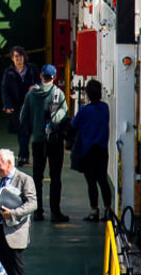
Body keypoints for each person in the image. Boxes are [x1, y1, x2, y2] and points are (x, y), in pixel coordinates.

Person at [19, 63, 70, 222]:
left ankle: (37, 211)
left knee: (37, 177)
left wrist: (35, 124)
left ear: (41, 76)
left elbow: (23, 118)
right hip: (54, 142)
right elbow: (66, 115)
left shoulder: (31, 94)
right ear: (54, 77)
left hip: (38, 141)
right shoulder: (58, 94)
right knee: (55, 177)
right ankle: (55, 212)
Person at [71, 80, 114, 222]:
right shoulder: (105, 108)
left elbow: (73, 124)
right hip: (102, 150)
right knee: (103, 180)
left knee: (91, 182)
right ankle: (108, 209)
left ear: (87, 93)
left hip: (88, 151)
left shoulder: (84, 111)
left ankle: (94, 211)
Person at [0, 46, 38, 167]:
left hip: (30, 105)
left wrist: (36, 87)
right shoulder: (8, 72)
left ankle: (23, 156)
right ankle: (23, 156)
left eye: (20, 56)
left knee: (26, 131)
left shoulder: (32, 70)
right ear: (12, 59)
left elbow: (41, 82)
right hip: (16, 106)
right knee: (22, 131)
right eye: (16, 56)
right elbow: (4, 89)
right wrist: (7, 105)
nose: (19, 59)